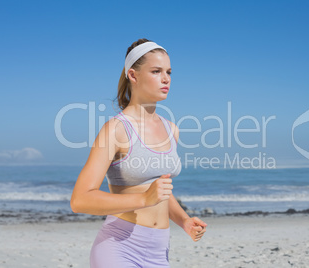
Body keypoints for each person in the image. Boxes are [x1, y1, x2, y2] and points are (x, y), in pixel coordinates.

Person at [70, 38, 208, 267]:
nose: (166, 79)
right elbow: (80, 199)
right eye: (156, 71)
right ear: (133, 76)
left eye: (169, 72)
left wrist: (184, 221)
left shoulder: (171, 129)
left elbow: (160, 190)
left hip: (159, 251)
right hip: (119, 247)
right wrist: (144, 199)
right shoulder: (116, 129)